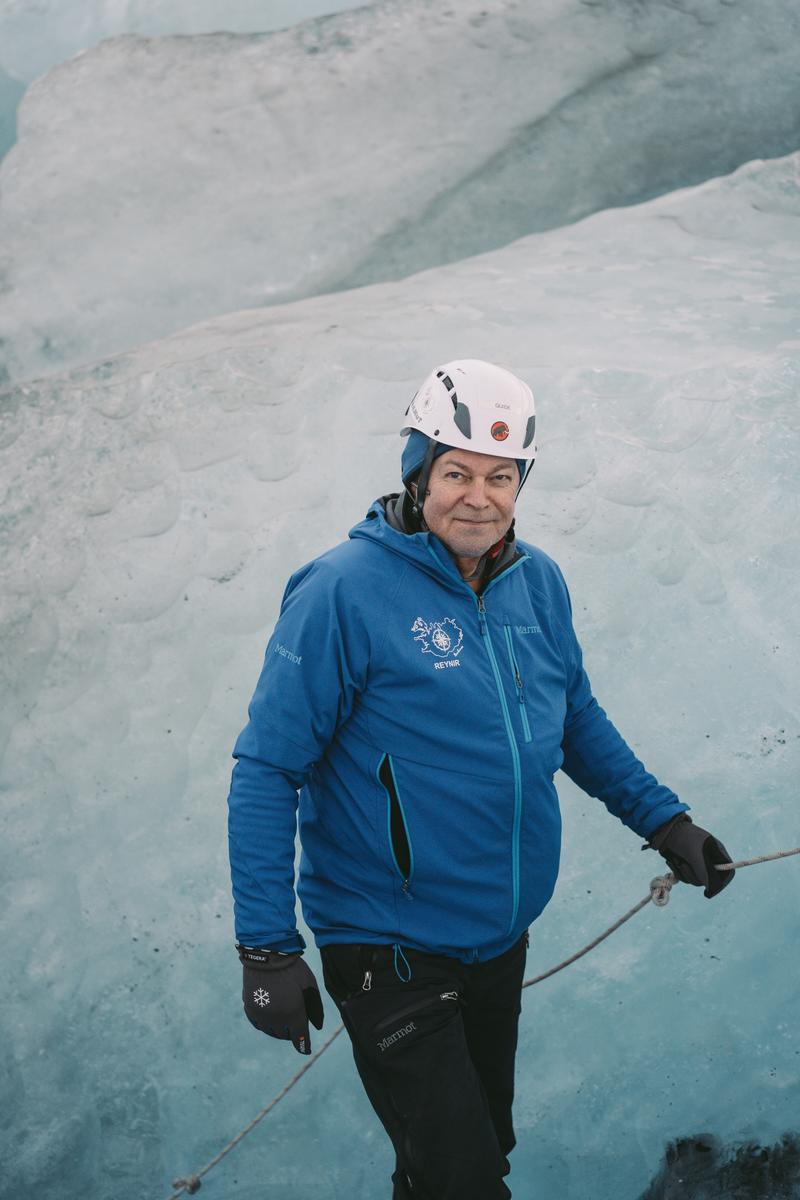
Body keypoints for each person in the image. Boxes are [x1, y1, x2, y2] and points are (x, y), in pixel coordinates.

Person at [227, 359, 734, 1199]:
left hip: (497, 937)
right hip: (385, 943)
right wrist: (266, 950)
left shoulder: (535, 582)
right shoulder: (343, 593)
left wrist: (665, 823)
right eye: (456, 472)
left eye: (501, 477)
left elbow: (573, 721)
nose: (478, 496)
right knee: (461, 1180)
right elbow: (266, 768)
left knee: (468, 1158)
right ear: (417, 474)